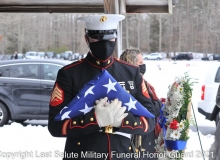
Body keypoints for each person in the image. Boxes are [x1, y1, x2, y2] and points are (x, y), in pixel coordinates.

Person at [48, 14, 156, 160]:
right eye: (97, 37)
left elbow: (150, 120)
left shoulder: (131, 72)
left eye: (109, 38)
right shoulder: (69, 74)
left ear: (116, 38)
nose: (104, 43)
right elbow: (55, 126)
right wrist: (94, 119)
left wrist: (121, 121)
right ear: (87, 38)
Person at [120, 48, 162, 158]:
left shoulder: (143, 82)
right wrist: (158, 104)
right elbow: (149, 108)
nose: (143, 66)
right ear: (132, 64)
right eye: (141, 63)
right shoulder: (132, 85)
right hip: (139, 139)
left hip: (147, 137)